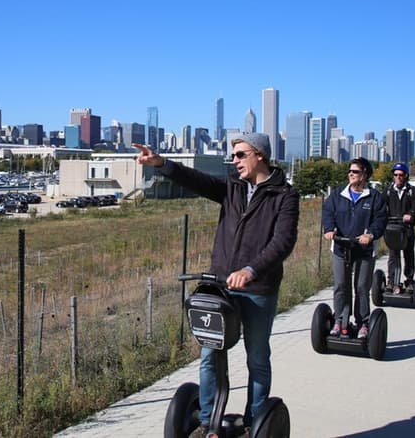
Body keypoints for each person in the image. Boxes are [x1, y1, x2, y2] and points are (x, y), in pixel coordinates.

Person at [133, 133, 299, 435]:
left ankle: (255, 422)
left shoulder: (284, 195)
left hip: (258, 290)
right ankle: (208, 422)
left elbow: (283, 242)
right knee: (210, 354)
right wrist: (160, 163)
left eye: (239, 155)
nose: (234, 161)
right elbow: (196, 179)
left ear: (259, 155)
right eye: (233, 156)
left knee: (257, 356)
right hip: (221, 286)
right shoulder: (232, 187)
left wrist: (251, 270)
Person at [321, 157, 386, 339]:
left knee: (361, 286)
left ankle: (363, 323)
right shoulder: (338, 194)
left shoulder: (374, 197)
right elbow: (328, 212)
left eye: (355, 171)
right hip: (341, 247)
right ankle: (339, 320)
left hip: (364, 249)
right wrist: (329, 229)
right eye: (350, 171)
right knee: (341, 285)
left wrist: (370, 234)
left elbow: (380, 220)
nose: (351, 174)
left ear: (365, 174)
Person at [385, 163, 415, 294]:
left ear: (406, 176)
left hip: (406, 229)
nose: (398, 177)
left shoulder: (412, 191)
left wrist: (411, 214)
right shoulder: (388, 191)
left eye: (401, 175)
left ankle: (409, 280)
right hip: (392, 228)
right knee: (393, 255)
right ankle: (391, 280)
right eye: (396, 175)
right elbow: (382, 206)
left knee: (408, 254)